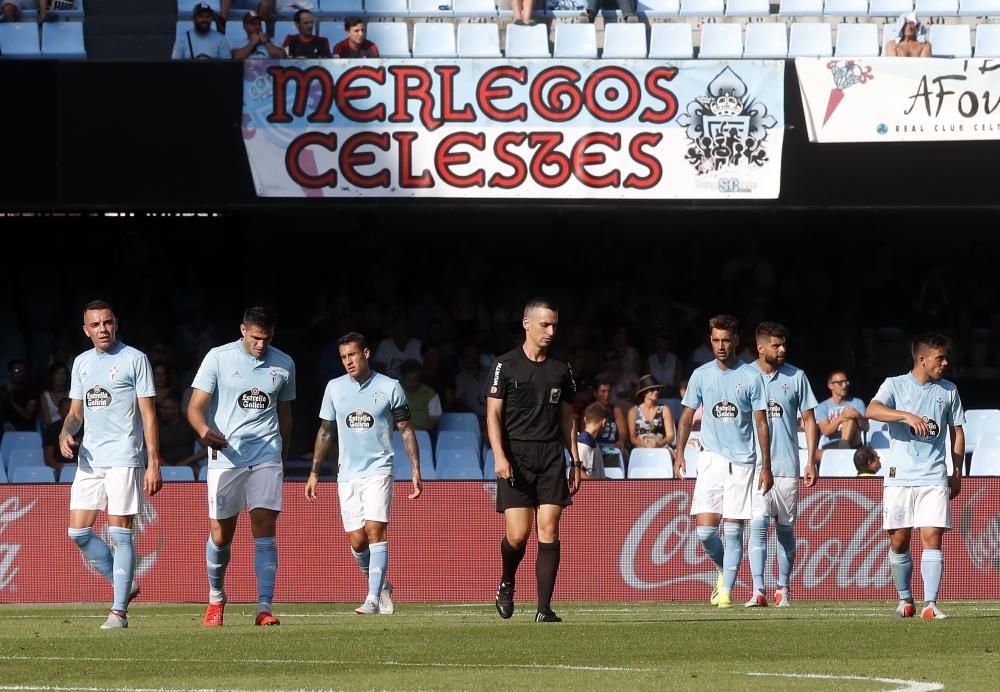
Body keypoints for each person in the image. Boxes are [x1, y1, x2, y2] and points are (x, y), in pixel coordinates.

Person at [187, 306, 296, 628]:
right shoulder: (218, 358)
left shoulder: (284, 363)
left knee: (264, 526)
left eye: (267, 339)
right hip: (226, 456)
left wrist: (281, 457)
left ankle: (264, 606)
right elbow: (195, 407)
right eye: (256, 338)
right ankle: (216, 597)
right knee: (221, 535)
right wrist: (203, 431)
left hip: (267, 454)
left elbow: (285, 415)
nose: (261, 345)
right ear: (243, 330)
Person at [60, 300, 163, 630]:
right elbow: (76, 413)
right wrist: (65, 431)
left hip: (124, 458)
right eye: (95, 325)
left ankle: (119, 612)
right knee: (78, 532)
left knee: (120, 534)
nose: (103, 329)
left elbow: (149, 415)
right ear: (86, 330)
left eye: (107, 322)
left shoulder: (135, 359)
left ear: (115, 323)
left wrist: (153, 461)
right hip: (90, 460)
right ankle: (125, 584)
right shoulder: (81, 363)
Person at [305, 332, 422, 616]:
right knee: (357, 541)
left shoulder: (390, 387)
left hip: (379, 470)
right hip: (347, 474)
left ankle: (371, 598)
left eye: (353, 355)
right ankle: (382, 586)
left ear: (366, 353)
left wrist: (416, 470)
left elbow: (406, 430)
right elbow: (326, 431)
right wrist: (314, 472)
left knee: (375, 530)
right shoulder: (334, 388)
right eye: (343, 357)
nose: (348, 361)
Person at [487, 297, 581, 623]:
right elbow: (492, 414)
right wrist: (499, 456)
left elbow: (568, 417)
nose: (551, 331)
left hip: (551, 456)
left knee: (549, 530)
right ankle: (507, 581)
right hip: (516, 456)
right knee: (517, 535)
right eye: (545, 324)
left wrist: (576, 460)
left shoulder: (561, 370)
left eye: (554, 325)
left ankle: (544, 608)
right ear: (527, 324)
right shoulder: (504, 365)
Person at [673, 314, 771, 609]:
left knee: (733, 529)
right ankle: (723, 570)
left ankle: (726, 592)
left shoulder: (752, 376)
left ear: (736, 341)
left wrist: (766, 466)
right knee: (705, 532)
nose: (720, 346)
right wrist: (679, 453)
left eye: (726, 340)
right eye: (715, 340)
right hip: (710, 459)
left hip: (742, 462)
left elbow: (761, 423)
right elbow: (686, 417)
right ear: (710, 340)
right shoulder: (701, 374)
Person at [866, 332, 964, 620]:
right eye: (939, 358)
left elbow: (958, 432)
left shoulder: (949, 390)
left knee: (932, 536)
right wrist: (905, 415)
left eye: (945, 358)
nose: (945, 363)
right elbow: (872, 410)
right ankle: (905, 599)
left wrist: (957, 472)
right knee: (899, 541)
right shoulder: (894, 385)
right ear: (922, 360)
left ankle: (930, 604)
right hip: (900, 476)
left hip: (934, 475)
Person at [744, 322, 819, 609]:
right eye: (776, 345)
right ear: (761, 348)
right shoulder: (744, 376)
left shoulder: (797, 376)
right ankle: (758, 590)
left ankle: (783, 589)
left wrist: (810, 459)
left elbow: (809, 419)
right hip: (754, 466)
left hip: (788, 465)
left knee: (785, 530)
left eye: (784, 344)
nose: (782, 349)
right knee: (758, 525)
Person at [816, 370, 868, 450]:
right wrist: (841, 417)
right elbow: (825, 431)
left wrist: (857, 415)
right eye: (840, 383)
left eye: (846, 382)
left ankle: (844, 445)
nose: (844, 385)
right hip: (831, 445)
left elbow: (866, 428)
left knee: (851, 419)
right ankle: (843, 446)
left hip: (854, 445)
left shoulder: (858, 403)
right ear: (830, 386)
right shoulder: (822, 406)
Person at [157, 394, 206, 475]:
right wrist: (165, 465)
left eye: (166, 408)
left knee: (201, 474)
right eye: (161, 408)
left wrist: (187, 461)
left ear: (176, 409)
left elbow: (208, 449)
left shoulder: (189, 425)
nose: (161, 411)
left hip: (188, 465)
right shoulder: (157, 426)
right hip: (162, 465)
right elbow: (149, 449)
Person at [587, 377, 628, 467]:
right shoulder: (589, 410)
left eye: (609, 391)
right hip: (595, 445)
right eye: (603, 391)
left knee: (624, 452)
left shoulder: (616, 410)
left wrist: (621, 441)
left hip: (613, 446)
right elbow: (586, 432)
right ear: (595, 393)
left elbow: (623, 432)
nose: (607, 394)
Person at [627, 374, 675, 451]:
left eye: (657, 389)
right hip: (641, 447)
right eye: (652, 389)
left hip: (661, 447)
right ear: (644, 393)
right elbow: (632, 438)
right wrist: (645, 444)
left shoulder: (664, 409)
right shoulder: (633, 411)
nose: (656, 392)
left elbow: (671, 436)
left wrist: (659, 443)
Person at [398, 359, 441, 431]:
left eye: (414, 380)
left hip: (423, 434)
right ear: (402, 378)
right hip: (398, 433)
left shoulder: (431, 394)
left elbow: (434, 419)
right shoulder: (396, 393)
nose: (412, 383)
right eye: (408, 380)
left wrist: (419, 432)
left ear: (420, 378)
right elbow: (389, 417)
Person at [1, 359, 38, 432]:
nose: (21, 374)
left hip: (23, 428)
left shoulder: (31, 391)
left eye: (23, 371)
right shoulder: (3, 389)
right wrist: (7, 393)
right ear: (9, 373)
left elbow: (28, 416)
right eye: (17, 371)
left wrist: (12, 401)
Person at [577, 402, 607, 480]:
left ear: (585, 419)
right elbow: (577, 472)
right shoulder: (583, 444)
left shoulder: (594, 444)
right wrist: (595, 484)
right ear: (604, 422)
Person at [40, 361, 70, 427]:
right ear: (52, 376)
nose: (61, 377)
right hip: (52, 429)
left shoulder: (71, 393)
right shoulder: (45, 396)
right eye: (57, 373)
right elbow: (47, 421)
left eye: (64, 373)